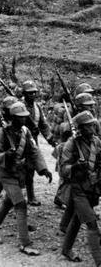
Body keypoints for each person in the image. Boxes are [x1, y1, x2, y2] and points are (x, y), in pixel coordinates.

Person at [0, 102, 52, 256]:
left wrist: (43, 169)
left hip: (18, 174)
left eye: (25, 117)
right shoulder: (2, 133)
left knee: (8, 202)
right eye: (20, 118)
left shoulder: (25, 131)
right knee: (21, 204)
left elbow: (34, 151)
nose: (24, 120)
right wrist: (6, 155)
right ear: (13, 117)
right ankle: (25, 243)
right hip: (6, 174)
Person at [58, 111, 101, 264]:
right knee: (91, 223)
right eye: (88, 126)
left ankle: (66, 249)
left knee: (77, 220)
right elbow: (63, 169)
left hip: (92, 188)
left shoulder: (96, 141)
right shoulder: (71, 144)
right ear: (81, 128)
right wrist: (75, 166)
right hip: (77, 189)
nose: (93, 128)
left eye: (93, 124)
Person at [22, 80, 55, 206]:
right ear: (24, 93)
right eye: (30, 93)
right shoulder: (19, 106)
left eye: (35, 92)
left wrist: (50, 138)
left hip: (32, 141)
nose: (33, 95)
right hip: (19, 139)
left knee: (30, 168)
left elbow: (43, 124)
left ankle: (31, 197)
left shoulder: (37, 107)